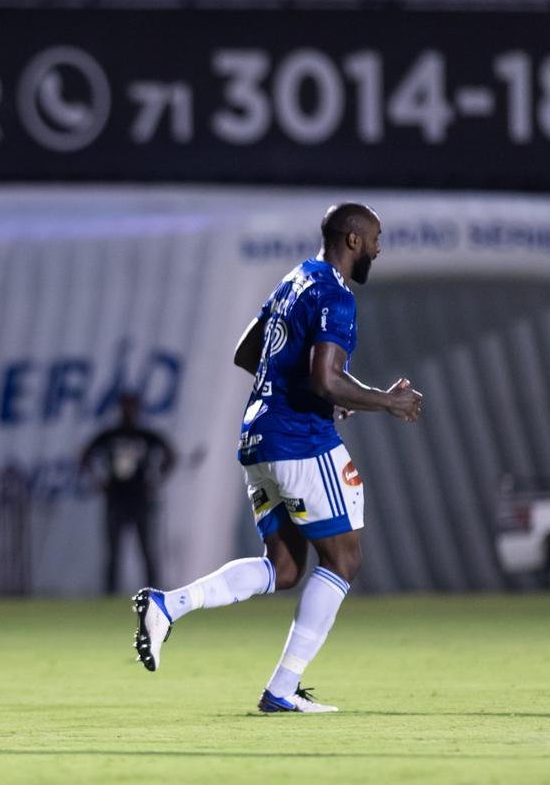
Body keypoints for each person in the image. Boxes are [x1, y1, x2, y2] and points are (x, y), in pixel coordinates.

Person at [133, 203, 424, 713]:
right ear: (353, 240)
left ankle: (167, 605)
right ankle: (282, 688)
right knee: (345, 559)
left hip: (256, 438)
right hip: (299, 440)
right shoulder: (335, 293)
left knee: (285, 568)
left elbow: (248, 353)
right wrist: (386, 400)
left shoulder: (293, 280)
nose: (380, 247)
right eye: (376, 238)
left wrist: (321, 394)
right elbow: (325, 379)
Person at [80, 394, 175, 594]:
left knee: (147, 550)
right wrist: (99, 481)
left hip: (141, 500)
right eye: (125, 407)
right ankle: (110, 594)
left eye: (132, 407)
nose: (128, 412)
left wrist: (156, 481)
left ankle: (154, 594)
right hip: (116, 499)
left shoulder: (145, 435)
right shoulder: (110, 435)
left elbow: (170, 455)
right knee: (113, 552)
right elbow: (85, 455)